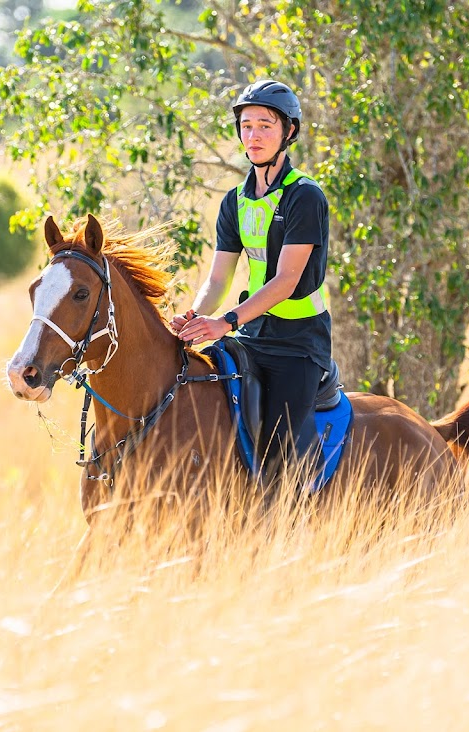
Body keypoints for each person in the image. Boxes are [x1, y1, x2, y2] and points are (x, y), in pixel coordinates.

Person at [171, 79, 332, 487]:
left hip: (300, 343)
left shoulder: (305, 196)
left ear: (288, 132)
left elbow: (286, 280)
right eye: (246, 125)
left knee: (281, 449)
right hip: (252, 333)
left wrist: (224, 323)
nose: (253, 135)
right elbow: (219, 277)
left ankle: (297, 515)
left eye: (265, 125)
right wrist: (195, 315)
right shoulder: (233, 201)